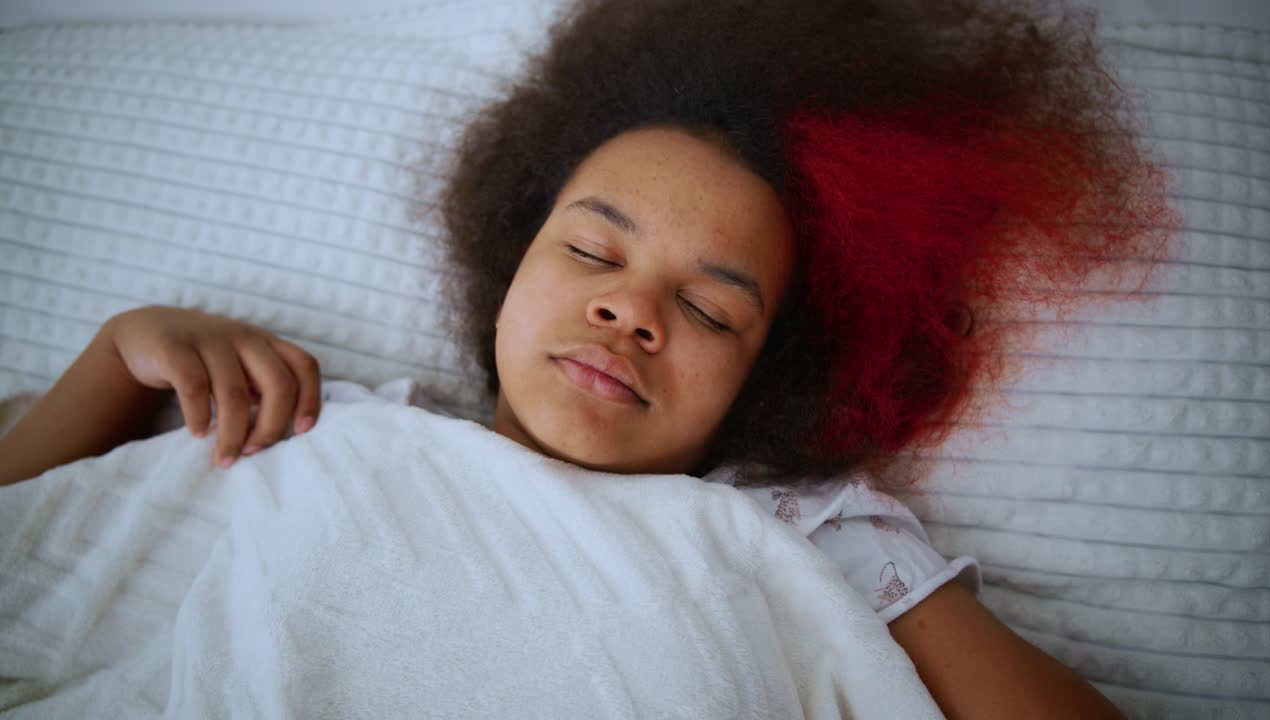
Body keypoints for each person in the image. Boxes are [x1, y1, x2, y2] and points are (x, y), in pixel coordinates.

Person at [0, 0, 1177, 716]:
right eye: (589, 252)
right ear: (511, 262)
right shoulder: (325, 422)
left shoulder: (801, 539)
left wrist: (884, 584)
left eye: (709, 313)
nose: (629, 313)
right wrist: (117, 358)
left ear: (770, 381)